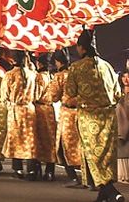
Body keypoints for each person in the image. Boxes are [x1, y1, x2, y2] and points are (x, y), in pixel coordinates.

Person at [63, 29, 124, 202]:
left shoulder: (76, 67)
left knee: (93, 156)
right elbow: (118, 93)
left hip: (89, 116)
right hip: (109, 116)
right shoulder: (107, 66)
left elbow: (69, 93)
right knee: (106, 156)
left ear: (81, 48)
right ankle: (103, 195)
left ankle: (112, 192)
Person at [52, 49, 84, 185]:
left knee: (62, 146)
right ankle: (88, 178)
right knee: (81, 145)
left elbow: (53, 96)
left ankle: (73, 177)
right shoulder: (77, 72)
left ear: (58, 62)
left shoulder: (59, 76)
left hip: (67, 114)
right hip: (81, 112)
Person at [1, 51, 35, 178]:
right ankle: (31, 169)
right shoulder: (32, 74)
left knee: (16, 138)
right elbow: (36, 94)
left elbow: (4, 95)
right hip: (30, 110)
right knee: (30, 139)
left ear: (13, 60)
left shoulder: (9, 75)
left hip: (15, 110)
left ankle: (18, 168)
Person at [31, 54, 59, 180]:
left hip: (39, 110)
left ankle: (36, 169)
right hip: (50, 110)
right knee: (50, 140)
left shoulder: (39, 77)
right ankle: (50, 171)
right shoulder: (51, 76)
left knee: (38, 139)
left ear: (40, 64)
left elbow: (35, 94)